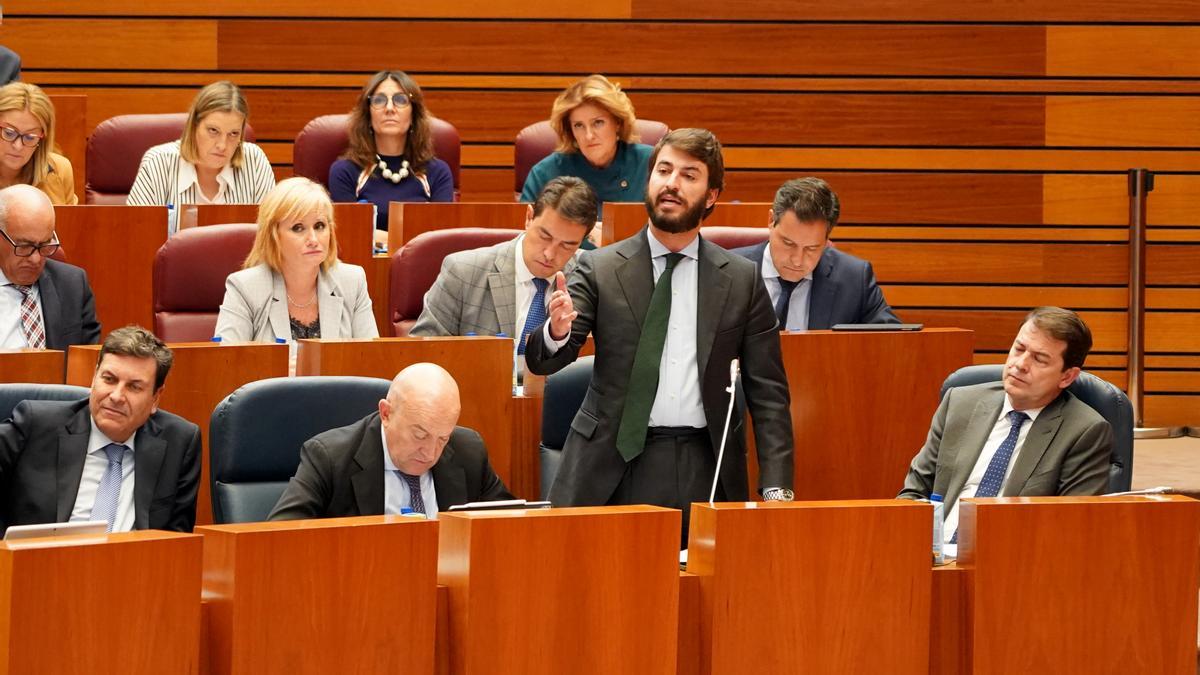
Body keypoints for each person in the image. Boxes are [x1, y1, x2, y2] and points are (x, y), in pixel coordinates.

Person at [526, 128, 795, 543]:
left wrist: (776, 489)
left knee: (701, 598)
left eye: (689, 175)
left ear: (711, 196)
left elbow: (768, 392)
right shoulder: (600, 268)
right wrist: (557, 331)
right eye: (664, 170)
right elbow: (547, 360)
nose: (672, 183)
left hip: (706, 465)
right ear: (649, 182)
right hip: (610, 465)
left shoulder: (741, 280)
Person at [898, 307, 1114, 543]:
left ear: (1067, 377)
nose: (1020, 364)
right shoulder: (960, 403)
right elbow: (914, 493)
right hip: (935, 555)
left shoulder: (1085, 431)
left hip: (1011, 561)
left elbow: (1071, 526)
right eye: (1019, 349)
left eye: (1039, 359)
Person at [0, 326, 202, 534]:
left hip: (133, 564)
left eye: (134, 387)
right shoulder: (35, 425)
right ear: (94, 377)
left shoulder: (179, 442)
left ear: (155, 398)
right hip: (40, 561)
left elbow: (177, 543)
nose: (116, 396)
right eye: (109, 379)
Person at [269, 362, 513, 520]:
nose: (429, 453)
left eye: (442, 439)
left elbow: (511, 526)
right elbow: (279, 537)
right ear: (386, 414)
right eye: (419, 435)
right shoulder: (331, 458)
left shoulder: (467, 451)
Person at [409, 176, 596, 376]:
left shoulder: (588, 275)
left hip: (556, 402)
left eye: (567, 245)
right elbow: (419, 358)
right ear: (528, 217)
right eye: (544, 236)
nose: (550, 254)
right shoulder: (462, 272)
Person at [214, 176, 378, 343]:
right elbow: (227, 362)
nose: (313, 239)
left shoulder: (352, 281)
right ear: (273, 236)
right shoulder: (246, 288)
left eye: (319, 226)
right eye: (298, 228)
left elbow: (371, 358)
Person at [733, 177, 898, 330]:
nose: (797, 261)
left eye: (811, 248)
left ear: (827, 240)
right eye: (788, 243)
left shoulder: (854, 279)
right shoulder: (727, 272)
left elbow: (890, 342)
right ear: (770, 221)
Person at [328, 70, 454, 247]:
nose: (389, 108)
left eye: (400, 100)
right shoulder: (345, 171)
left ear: (413, 115)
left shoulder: (437, 172)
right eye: (379, 100)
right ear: (368, 115)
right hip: (363, 269)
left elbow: (441, 236)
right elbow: (349, 233)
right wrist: (410, 240)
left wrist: (378, 237)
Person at [127, 81, 275, 207]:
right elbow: (137, 233)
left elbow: (271, 234)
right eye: (213, 130)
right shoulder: (158, 162)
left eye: (233, 134)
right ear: (194, 127)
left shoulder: (254, 160)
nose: (222, 145)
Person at [520, 75, 654, 212]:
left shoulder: (651, 164)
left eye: (598, 123)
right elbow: (525, 230)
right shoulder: (545, 173)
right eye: (579, 125)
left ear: (618, 122)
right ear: (570, 131)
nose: (589, 135)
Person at [0, 184, 99, 349]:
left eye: (44, 245)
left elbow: (87, 361)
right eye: (24, 245)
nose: (35, 258)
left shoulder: (73, 285)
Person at [0, 82, 77, 205]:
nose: (18, 146)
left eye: (30, 137)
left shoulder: (59, 169)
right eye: (9, 133)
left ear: (42, 138)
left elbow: (69, 222)